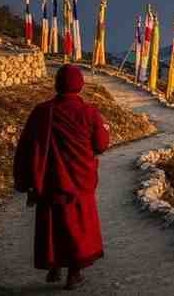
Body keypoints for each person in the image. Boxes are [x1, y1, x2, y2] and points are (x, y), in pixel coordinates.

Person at [13, 64, 111, 289]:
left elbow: (27, 147)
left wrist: (25, 181)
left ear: (57, 84)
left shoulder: (42, 111)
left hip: (50, 180)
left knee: (53, 223)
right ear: (80, 85)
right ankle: (74, 273)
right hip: (79, 180)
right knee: (78, 226)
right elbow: (101, 144)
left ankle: (54, 266)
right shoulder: (89, 113)